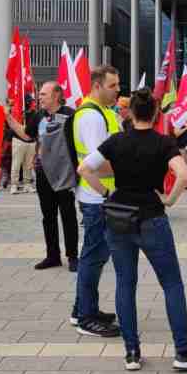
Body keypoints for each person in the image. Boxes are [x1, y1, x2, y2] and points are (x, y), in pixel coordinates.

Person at [77, 89, 187, 372]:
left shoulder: (116, 141)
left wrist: (105, 192)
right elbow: (185, 175)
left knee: (125, 284)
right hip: (152, 218)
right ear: (154, 113)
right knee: (171, 283)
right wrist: (169, 199)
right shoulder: (163, 143)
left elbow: (84, 168)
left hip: (119, 218)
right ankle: (183, 350)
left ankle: (132, 352)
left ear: (130, 113)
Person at [70, 65, 123, 338]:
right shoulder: (92, 116)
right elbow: (95, 163)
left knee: (96, 256)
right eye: (113, 85)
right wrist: (128, 168)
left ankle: (82, 309)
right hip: (97, 196)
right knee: (93, 257)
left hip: (98, 195)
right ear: (97, 86)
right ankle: (86, 318)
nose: (118, 90)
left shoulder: (101, 112)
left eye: (118, 85)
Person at [12, 82, 78, 271]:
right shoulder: (38, 116)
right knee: (48, 216)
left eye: (43, 94)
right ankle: (52, 256)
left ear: (57, 95)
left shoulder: (71, 114)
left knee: (68, 214)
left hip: (64, 173)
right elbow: (26, 135)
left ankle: (73, 256)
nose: (39, 97)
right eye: (39, 94)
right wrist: (8, 118)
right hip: (43, 173)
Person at [6, 95, 38, 195]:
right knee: (16, 164)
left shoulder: (34, 113)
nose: (32, 103)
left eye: (32, 101)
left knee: (28, 164)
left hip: (31, 141)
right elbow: (9, 123)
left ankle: (27, 184)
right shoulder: (16, 112)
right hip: (18, 140)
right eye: (30, 101)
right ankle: (14, 185)